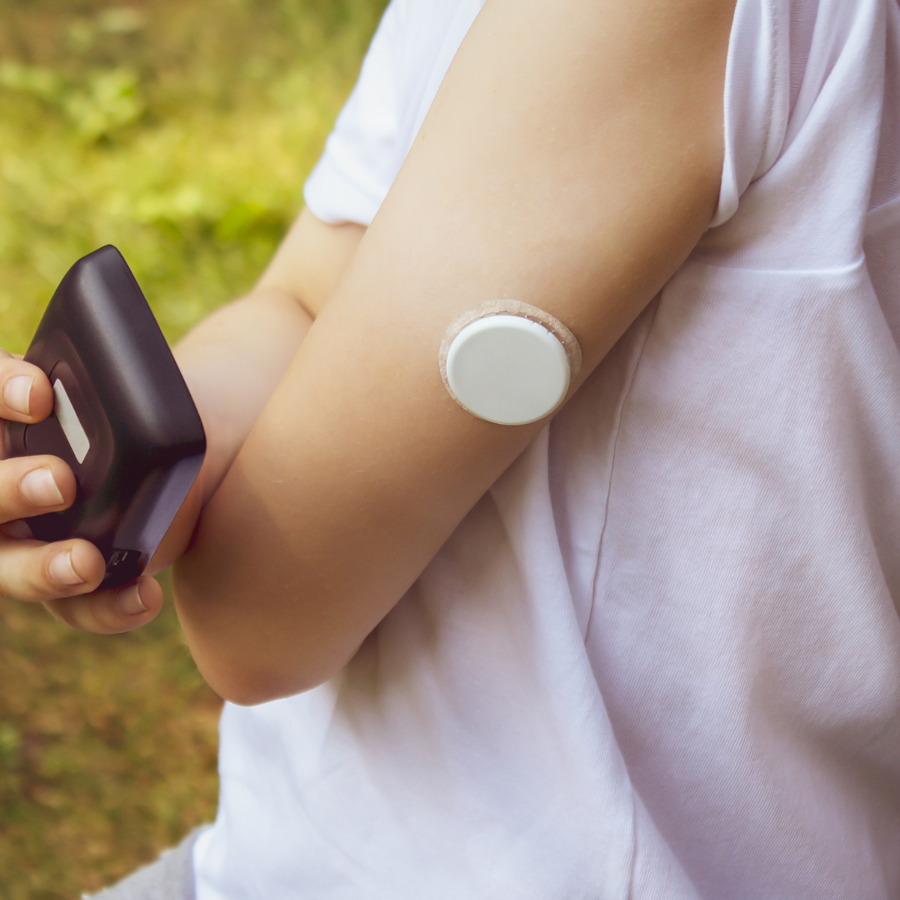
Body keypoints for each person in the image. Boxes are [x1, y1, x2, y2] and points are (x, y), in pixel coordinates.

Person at [1, 0, 899, 894]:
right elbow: (305, 295)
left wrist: (205, 504)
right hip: (305, 849)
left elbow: (257, 623)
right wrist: (155, 466)